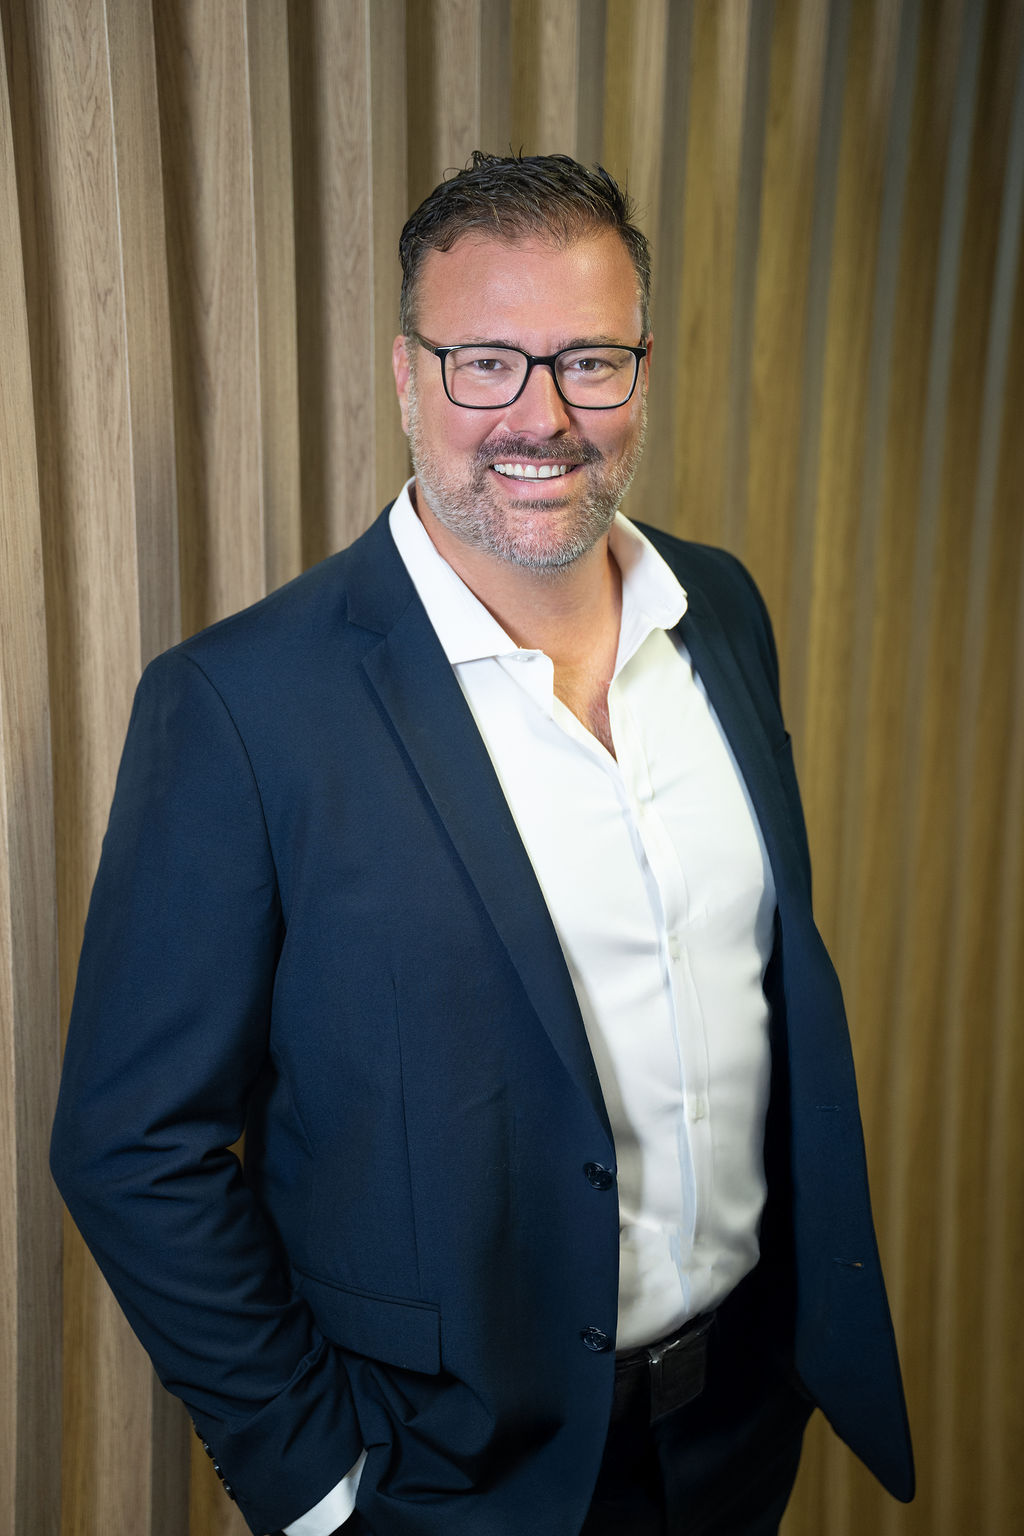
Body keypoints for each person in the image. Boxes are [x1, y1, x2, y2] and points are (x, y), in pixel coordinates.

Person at [51, 152, 913, 1536]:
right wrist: (323, 1490)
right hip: (449, 1479)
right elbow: (130, 1145)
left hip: (740, 1430)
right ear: (409, 377)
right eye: (487, 364)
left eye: (590, 361)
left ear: (642, 371)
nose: (543, 416)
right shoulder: (242, 706)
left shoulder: (723, 611)